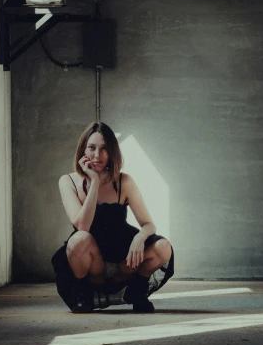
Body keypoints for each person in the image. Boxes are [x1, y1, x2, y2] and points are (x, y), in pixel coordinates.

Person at [51, 121, 174, 313]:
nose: (97, 155)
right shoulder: (68, 181)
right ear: (83, 149)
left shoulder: (124, 181)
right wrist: (94, 182)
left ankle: (137, 292)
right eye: (92, 148)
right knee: (78, 239)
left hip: (122, 260)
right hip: (91, 261)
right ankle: (85, 296)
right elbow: (82, 225)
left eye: (104, 149)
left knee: (163, 247)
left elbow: (149, 224)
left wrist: (139, 238)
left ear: (112, 152)